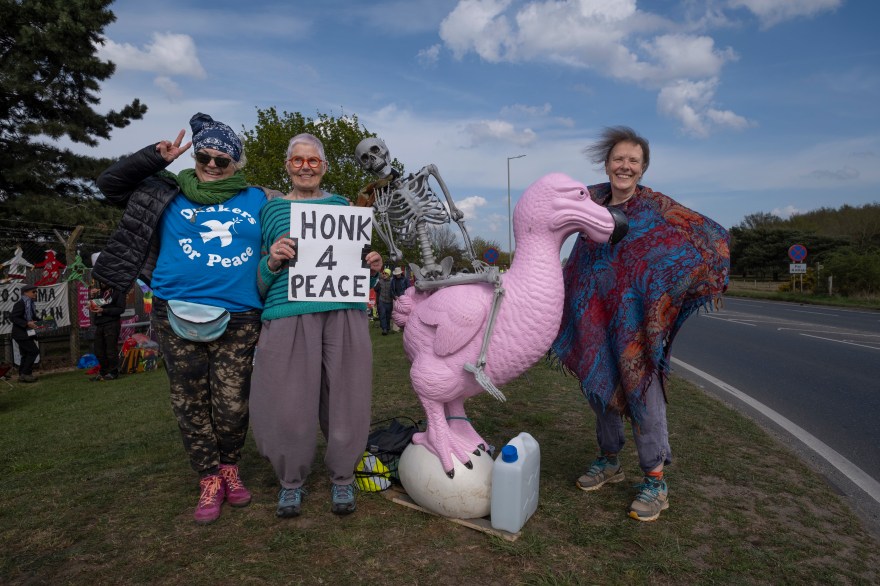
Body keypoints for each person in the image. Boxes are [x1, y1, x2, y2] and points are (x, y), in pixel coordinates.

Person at [92, 113, 273, 524]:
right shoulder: (165, 192)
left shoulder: (259, 198)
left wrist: (360, 253)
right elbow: (108, 186)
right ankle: (208, 478)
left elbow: (305, 222)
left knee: (231, 404)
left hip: (241, 315)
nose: (211, 164)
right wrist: (153, 159)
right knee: (189, 402)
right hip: (174, 312)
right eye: (204, 155)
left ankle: (230, 468)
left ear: (236, 164)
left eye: (222, 160)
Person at [551, 126, 729, 522]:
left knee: (644, 398)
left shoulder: (654, 211)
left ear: (643, 168)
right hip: (594, 316)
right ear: (607, 163)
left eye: (633, 160)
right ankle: (609, 461)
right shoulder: (589, 206)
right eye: (619, 159)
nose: (625, 166)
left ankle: (654, 481)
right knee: (601, 392)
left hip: (637, 322)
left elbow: (707, 239)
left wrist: (666, 297)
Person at [250, 132, 383, 518]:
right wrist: (272, 261)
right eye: (297, 161)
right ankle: (291, 481)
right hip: (287, 313)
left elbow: (355, 272)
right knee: (288, 403)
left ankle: (343, 476)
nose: (305, 167)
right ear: (287, 167)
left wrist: (371, 269)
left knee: (348, 397)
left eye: (313, 161)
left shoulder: (343, 207)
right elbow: (257, 278)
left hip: (343, 311)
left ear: (324, 167)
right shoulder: (270, 213)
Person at [88, 276, 126, 381]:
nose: (102, 283)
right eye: (101, 281)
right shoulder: (100, 293)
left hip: (112, 323)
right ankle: (103, 372)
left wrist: (104, 311)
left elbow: (120, 309)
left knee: (111, 350)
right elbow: (93, 306)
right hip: (99, 323)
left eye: (105, 281)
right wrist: (91, 298)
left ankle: (113, 372)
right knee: (98, 350)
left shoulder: (118, 292)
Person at [10, 284, 40, 383]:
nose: (35, 293)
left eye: (36, 291)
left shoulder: (30, 303)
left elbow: (32, 318)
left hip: (28, 333)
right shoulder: (21, 303)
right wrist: (27, 323)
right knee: (33, 351)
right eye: (33, 292)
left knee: (26, 354)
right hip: (21, 334)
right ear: (25, 293)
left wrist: (44, 322)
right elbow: (14, 318)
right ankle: (26, 373)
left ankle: (22, 376)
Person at [374, 267, 394, 335]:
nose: (384, 275)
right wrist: (378, 283)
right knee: (382, 315)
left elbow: (394, 290)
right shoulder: (380, 281)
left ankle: (388, 328)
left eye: (386, 273)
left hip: (389, 301)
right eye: (383, 273)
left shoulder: (392, 282)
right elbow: (375, 289)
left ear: (389, 274)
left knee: (388, 316)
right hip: (381, 300)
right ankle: (384, 329)